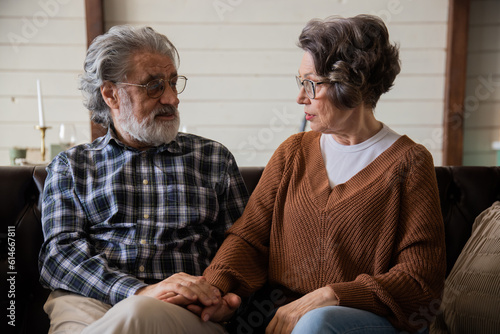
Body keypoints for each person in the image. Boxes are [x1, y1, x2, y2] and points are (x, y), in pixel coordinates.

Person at [195, 14, 446, 334]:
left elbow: (420, 282)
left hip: (359, 320)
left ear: (351, 85)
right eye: (300, 83)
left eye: (312, 84)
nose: (301, 97)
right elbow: (249, 239)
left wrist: (332, 295)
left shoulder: (410, 163)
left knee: (317, 322)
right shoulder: (293, 151)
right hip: (276, 317)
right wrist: (214, 290)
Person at [38, 25, 248, 334]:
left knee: (141, 313)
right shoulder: (71, 166)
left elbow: (243, 248)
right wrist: (136, 292)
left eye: (174, 83)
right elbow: (59, 256)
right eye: (154, 86)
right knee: (131, 310)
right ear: (110, 94)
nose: (172, 98)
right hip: (90, 302)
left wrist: (223, 295)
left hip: (186, 310)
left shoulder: (213, 159)